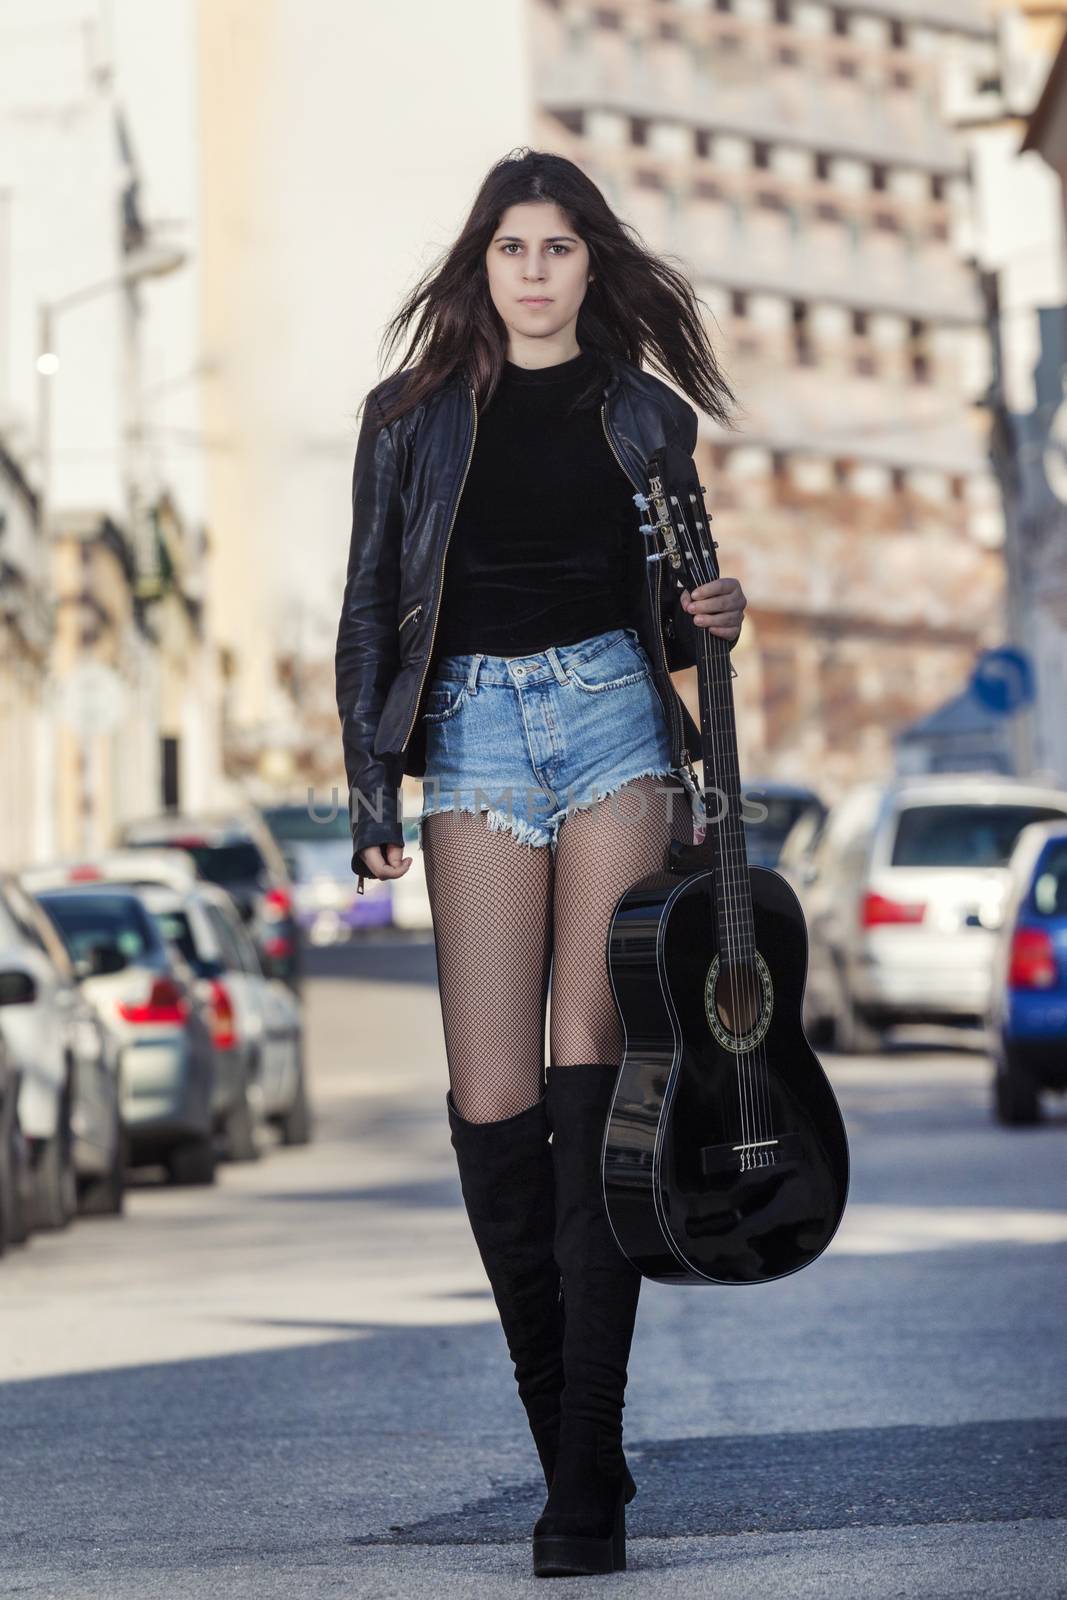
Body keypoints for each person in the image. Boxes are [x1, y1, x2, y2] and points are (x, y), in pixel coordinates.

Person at [335, 148, 746, 1578]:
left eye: (558, 247)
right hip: (472, 741)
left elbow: (683, 621)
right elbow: (369, 610)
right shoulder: (406, 420)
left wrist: (719, 613)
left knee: (591, 1085)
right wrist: (366, 787)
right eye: (510, 247)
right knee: (492, 1101)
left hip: (613, 728)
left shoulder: (647, 417)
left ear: (591, 265)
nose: (532, 270)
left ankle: (583, 1479)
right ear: (481, 262)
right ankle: (570, 1430)